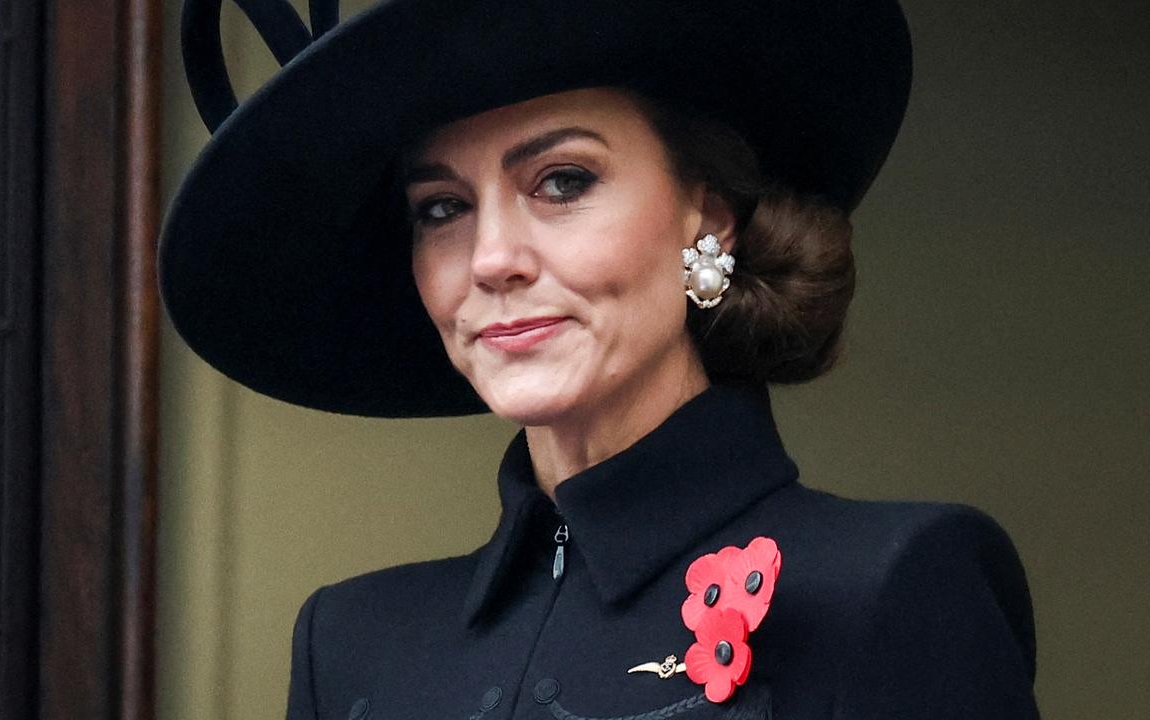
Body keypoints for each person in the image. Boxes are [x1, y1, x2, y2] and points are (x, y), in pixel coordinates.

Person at [159, 1, 1040, 718]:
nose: (490, 258)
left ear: (709, 220)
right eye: (439, 209)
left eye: (562, 181)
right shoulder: (348, 643)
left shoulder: (894, 586)